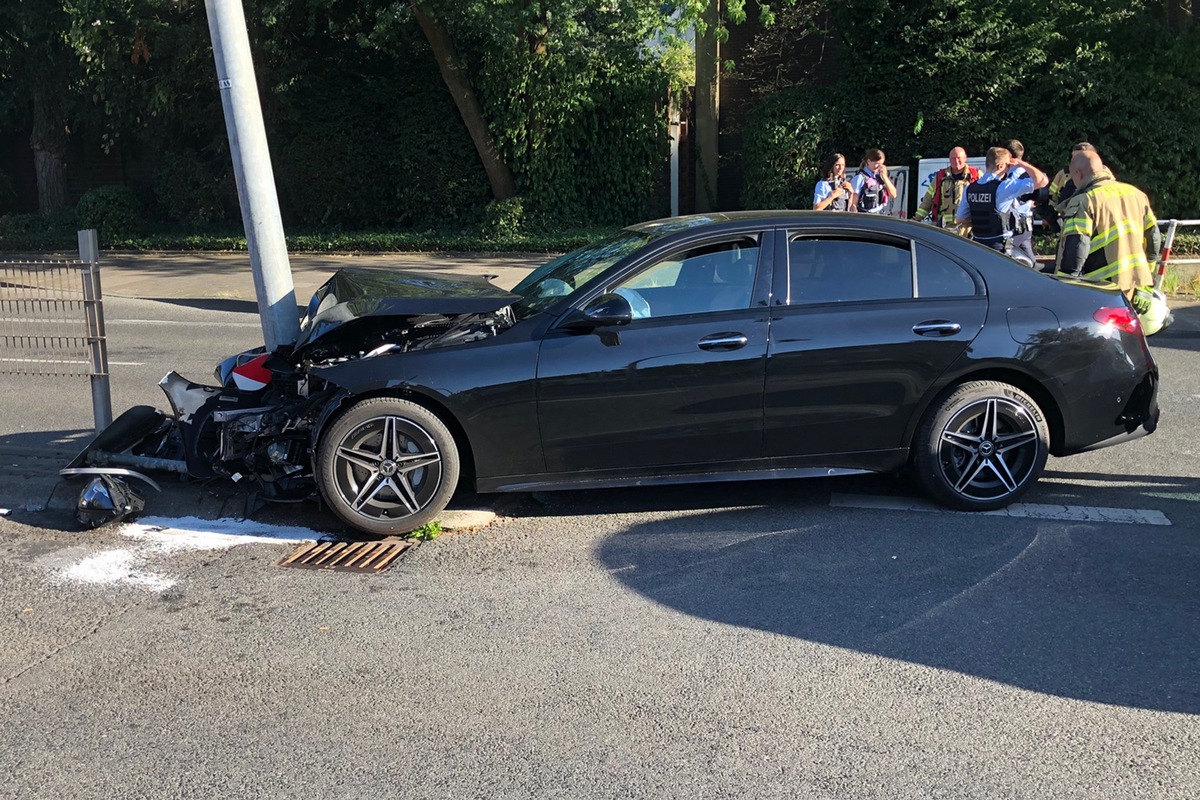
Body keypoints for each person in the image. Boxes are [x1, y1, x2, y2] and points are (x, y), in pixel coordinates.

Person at [1055, 149, 1162, 307]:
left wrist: (1064, 285)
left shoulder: (1084, 200)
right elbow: (1154, 238)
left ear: (1078, 173)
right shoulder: (1137, 194)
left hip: (1101, 289)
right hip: (1135, 289)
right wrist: (1146, 281)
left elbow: (1077, 246)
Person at [955, 146, 1048, 265]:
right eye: (1008, 166)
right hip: (1000, 249)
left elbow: (960, 219)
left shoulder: (970, 188)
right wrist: (1021, 163)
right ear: (1000, 166)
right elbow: (1042, 181)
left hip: (978, 247)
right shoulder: (1004, 187)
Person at [913, 146, 980, 236]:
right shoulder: (940, 177)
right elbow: (927, 201)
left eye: (959, 158)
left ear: (965, 158)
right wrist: (915, 220)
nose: (956, 161)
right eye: (953, 158)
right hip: (946, 229)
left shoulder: (976, 176)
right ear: (949, 159)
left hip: (968, 229)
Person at [1002, 139, 1039, 267]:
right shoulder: (1026, 175)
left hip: (1018, 226)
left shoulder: (1015, 178)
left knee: (1009, 259)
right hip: (1023, 226)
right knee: (1028, 261)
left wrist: (1027, 205)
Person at [851, 148, 898, 214]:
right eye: (877, 163)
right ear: (868, 161)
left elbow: (893, 195)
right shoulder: (860, 177)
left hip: (880, 214)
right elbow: (853, 204)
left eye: (881, 164)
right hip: (866, 215)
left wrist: (885, 177)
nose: (879, 167)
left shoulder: (880, 177)